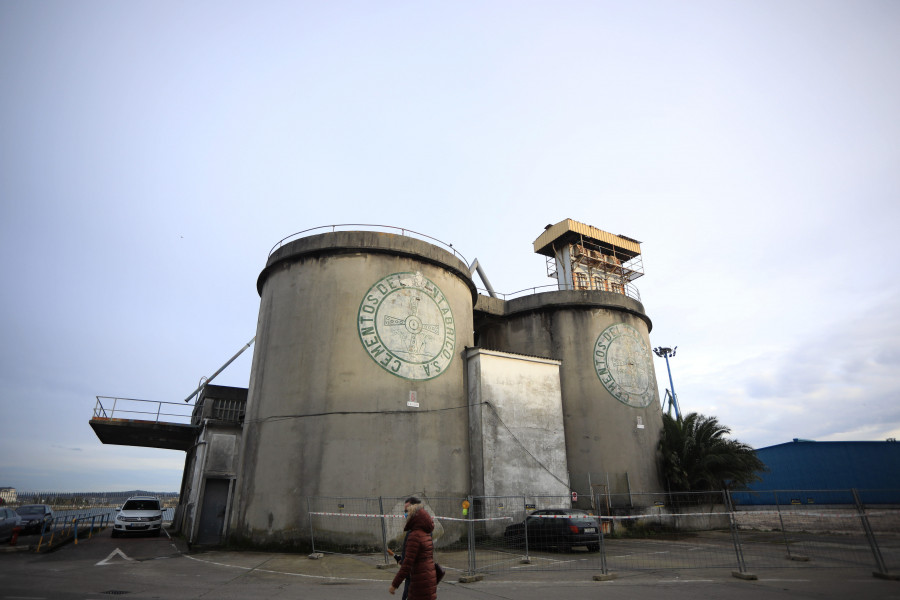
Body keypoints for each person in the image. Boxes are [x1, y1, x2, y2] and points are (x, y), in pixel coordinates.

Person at [389, 497, 437, 600]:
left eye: (407, 510)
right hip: (428, 578)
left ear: (413, 511)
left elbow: (408, 564)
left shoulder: (415, 534)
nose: (405, 513)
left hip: (418, 579)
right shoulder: (426, 530)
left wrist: (394, 584)